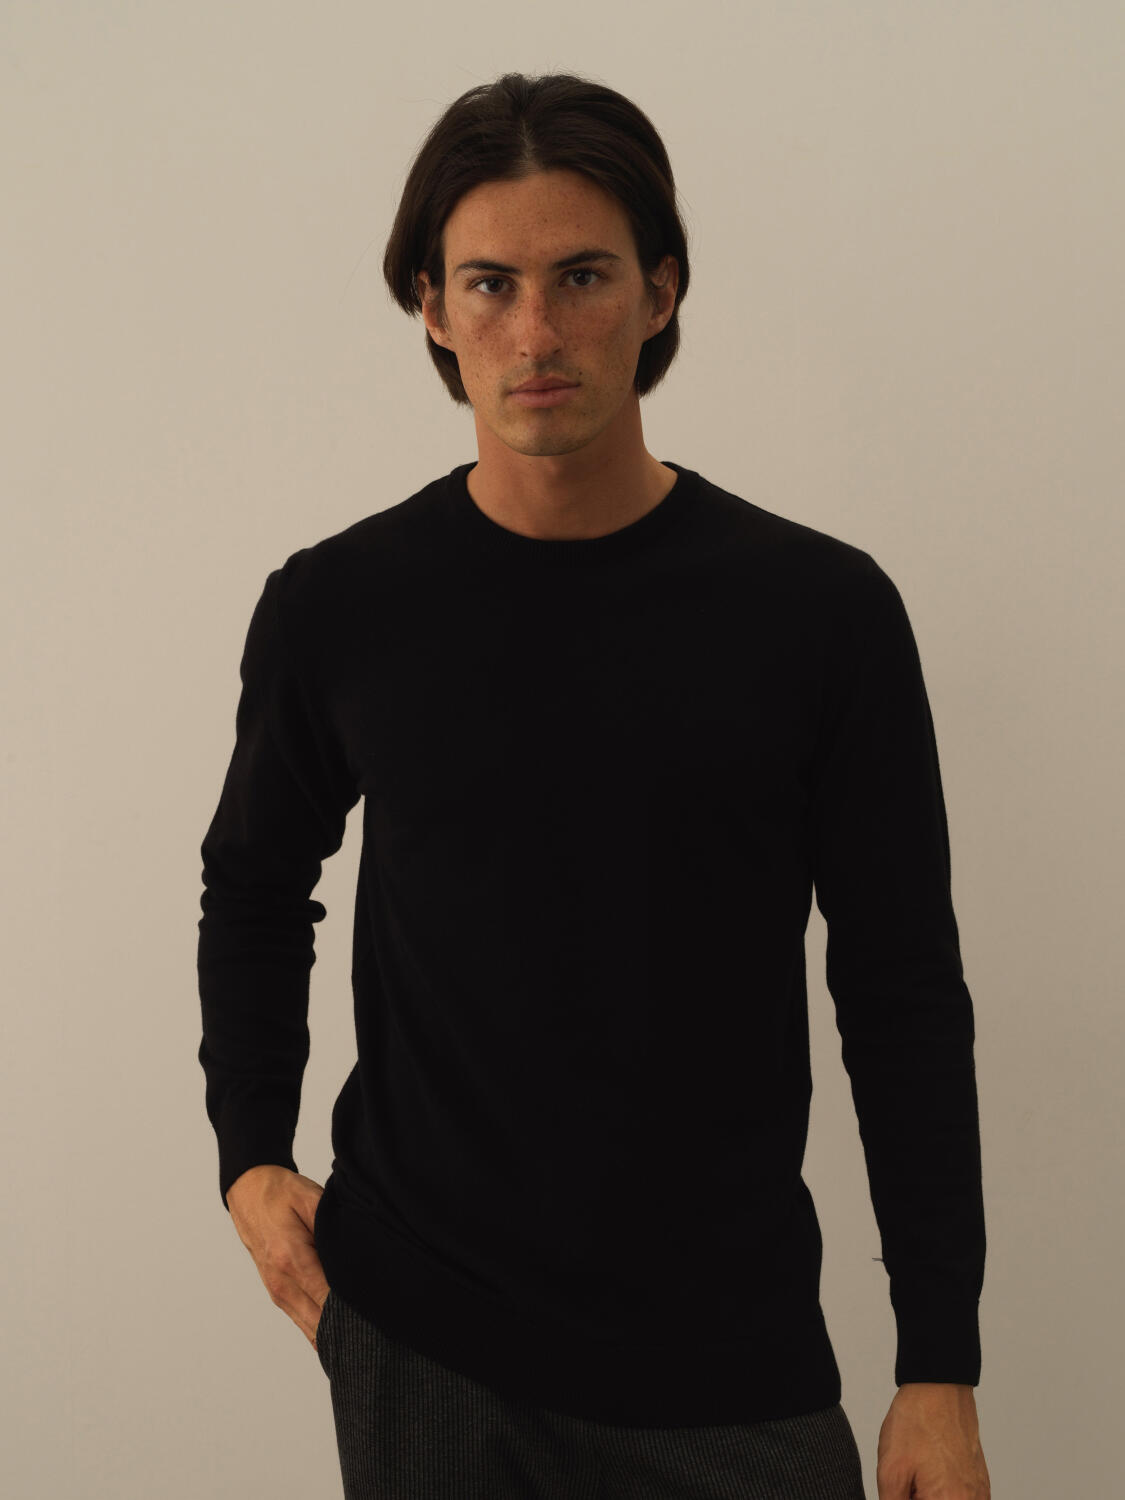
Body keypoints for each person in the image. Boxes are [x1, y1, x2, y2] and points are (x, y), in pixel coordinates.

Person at [198, 71, 990, 1500]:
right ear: (431, 307)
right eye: (490, 285)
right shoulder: (341, 606)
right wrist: (250, 1155)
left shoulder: (819, 615)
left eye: (582, 277)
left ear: (660, 291)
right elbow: (254, 882)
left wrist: (938, 1362)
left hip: (726, 1356)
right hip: (424, 1339)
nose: (536, 332)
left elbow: (901, 988)